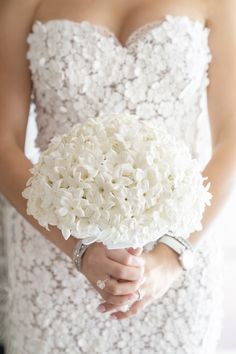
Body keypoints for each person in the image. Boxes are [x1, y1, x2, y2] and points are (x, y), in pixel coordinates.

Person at [0, 0, 236, 353]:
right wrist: (79, 249)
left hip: (176, 261)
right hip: (53, 255)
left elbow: (232, 137)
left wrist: (173, 254)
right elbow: (3, 142)